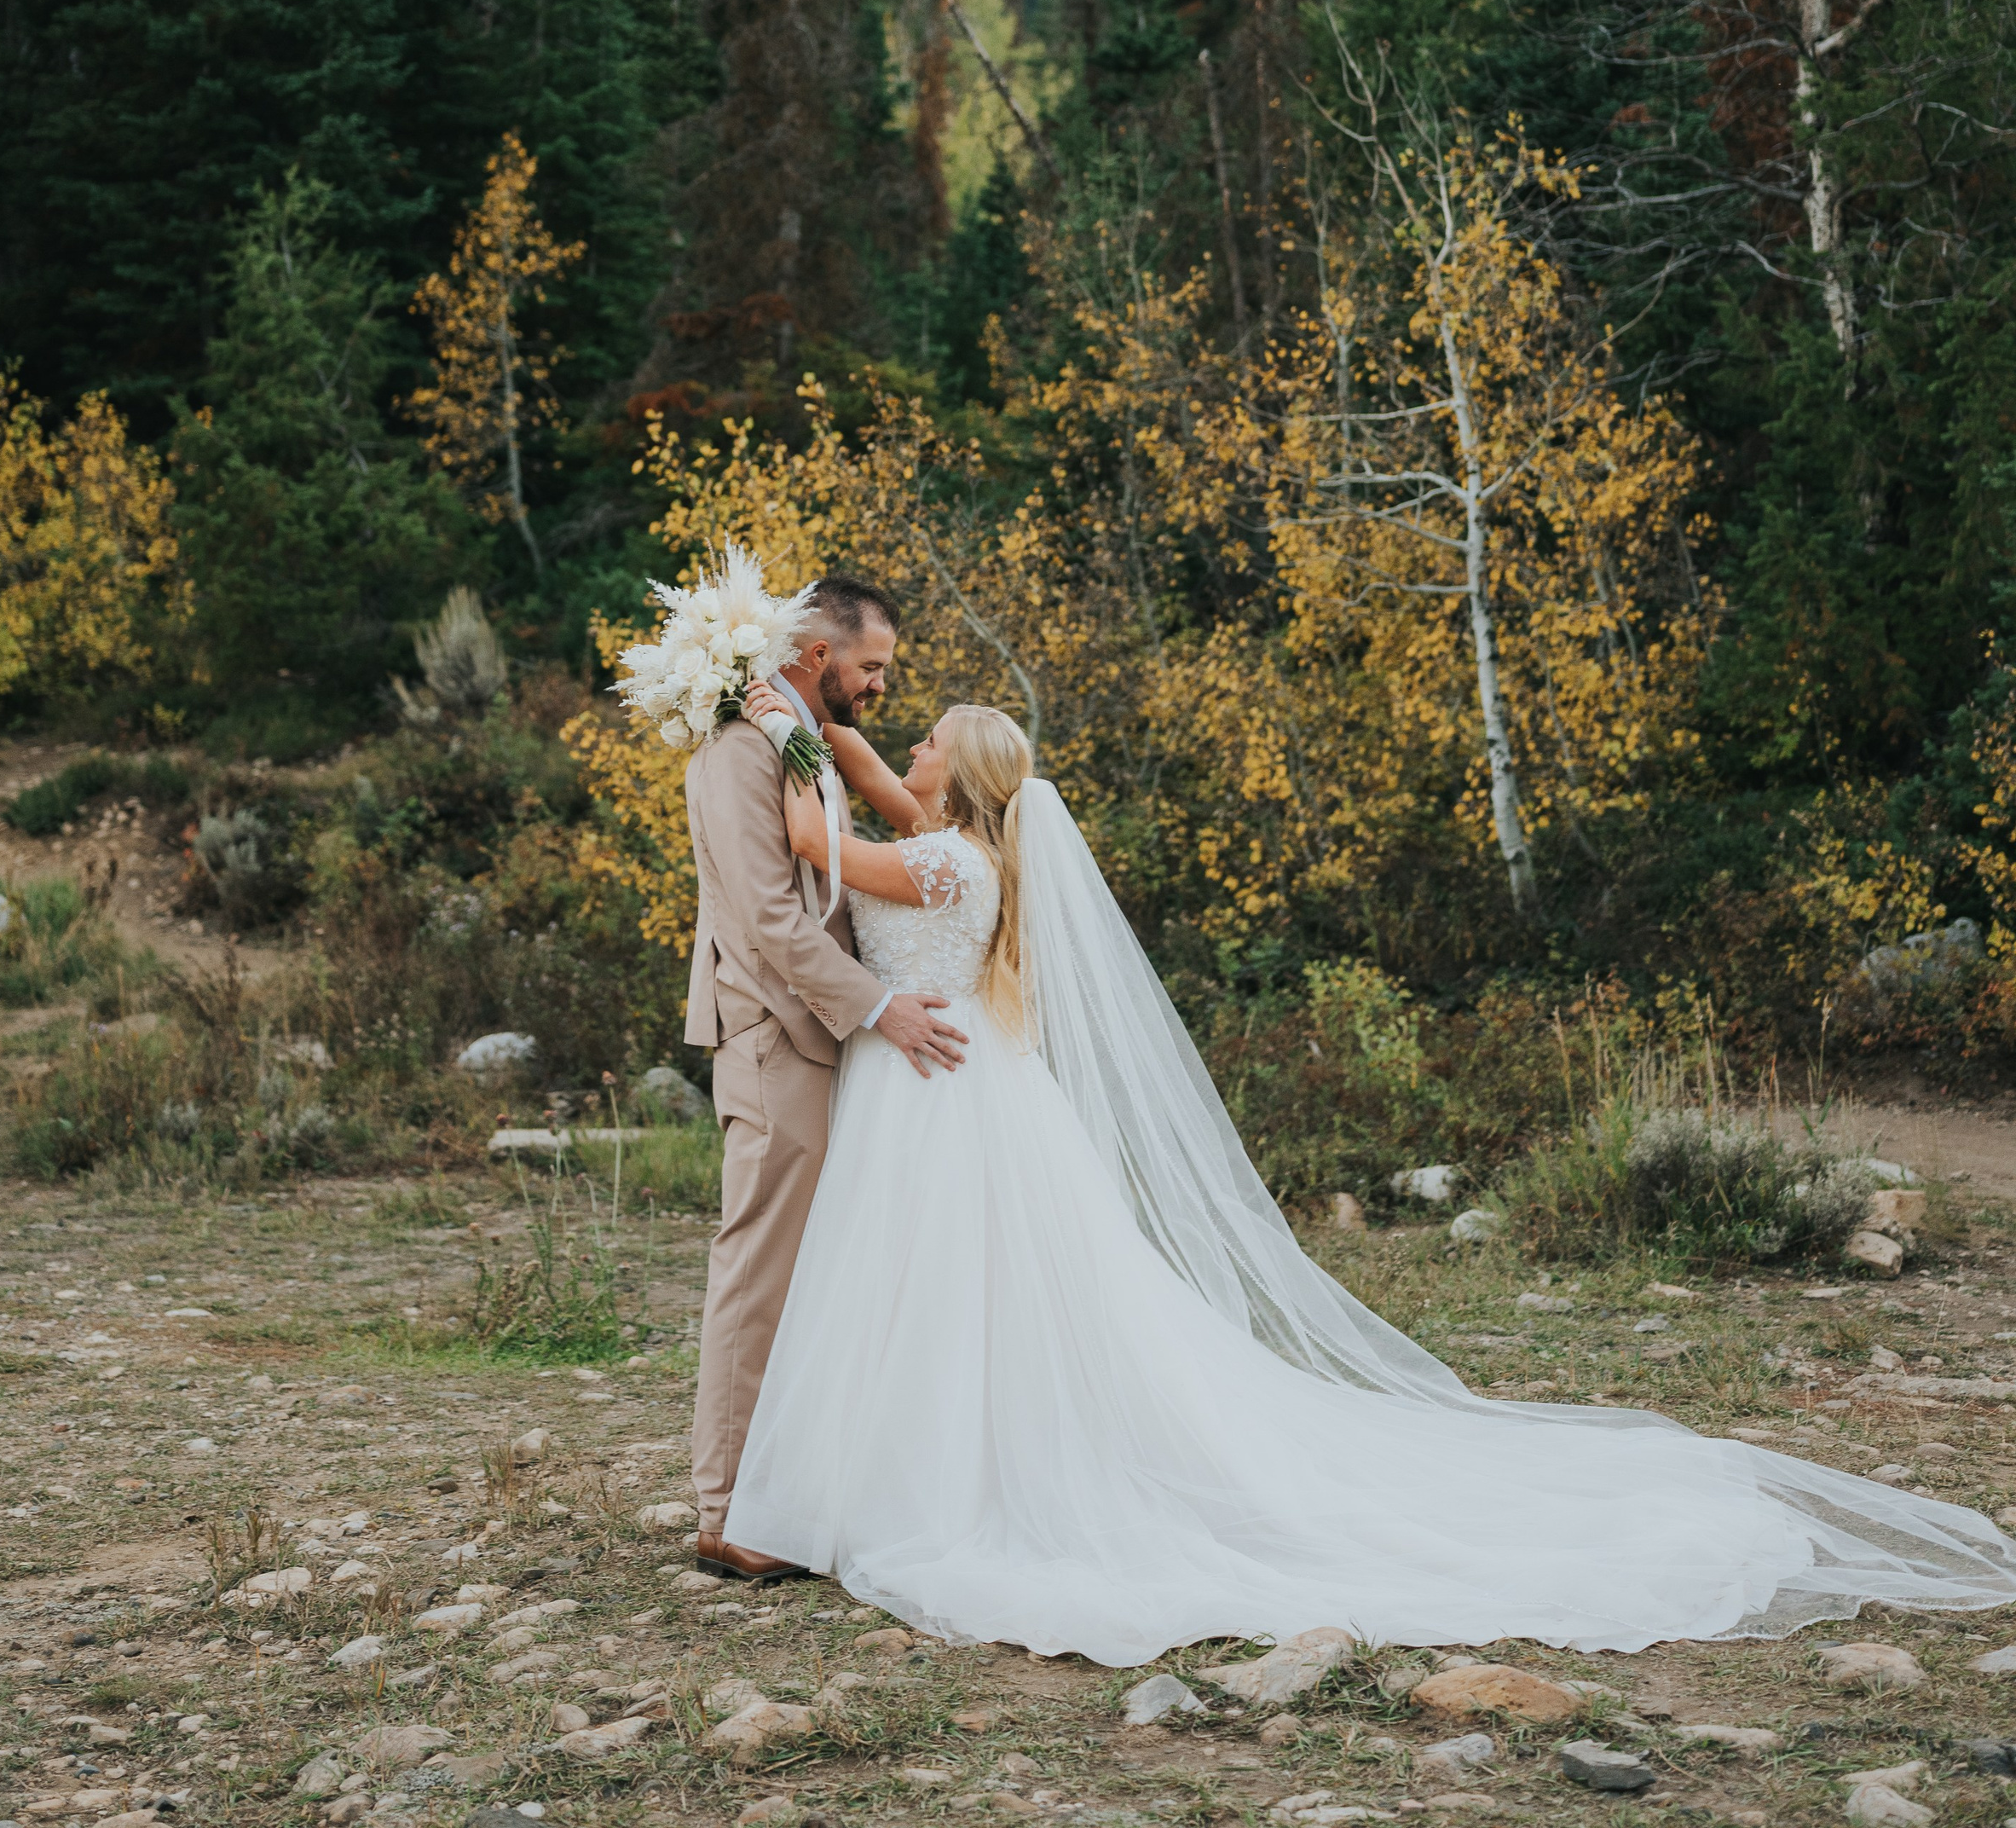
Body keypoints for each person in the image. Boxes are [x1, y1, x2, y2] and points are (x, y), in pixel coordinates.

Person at [723, 694, 2016, 1662]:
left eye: (933, 738)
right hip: (945, 1086)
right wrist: (833, 726)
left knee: (935, 1289)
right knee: (938, 1295)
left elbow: (808, 834)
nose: (917, 752)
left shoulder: (948, 862)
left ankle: (886, 1494)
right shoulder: (960, 841)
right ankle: (874, 1481)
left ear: (967, 774)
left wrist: (773, 720)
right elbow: (880, 792)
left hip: (939, 1091)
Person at [683, 575, 968, 1585]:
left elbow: (849, 844)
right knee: (759, 1267)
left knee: (812, 1274)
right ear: (817, 655)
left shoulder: (797, 739)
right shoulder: (738, 748)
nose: (882, 682)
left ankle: (788, 1492)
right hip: (771, 1033)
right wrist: (879, 1004)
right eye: (873, 664)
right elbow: (766, 917)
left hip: (820, 1034)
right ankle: (724, 1511)